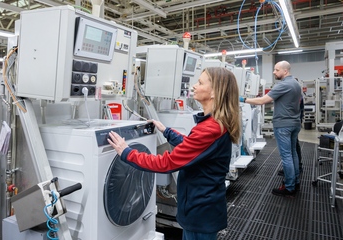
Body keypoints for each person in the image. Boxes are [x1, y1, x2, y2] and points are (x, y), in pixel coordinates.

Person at [108, 67, 241, 240]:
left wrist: (126, 152)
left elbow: (167, 163)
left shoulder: (209, 128)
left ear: (215, 92)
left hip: (200, 212)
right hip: (204, 208)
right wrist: (166, 131)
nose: (194, 86)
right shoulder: (215, 123)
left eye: (200, 83)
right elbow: (194, 147)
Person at [240, 61, 302, 197]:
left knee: (286, 156)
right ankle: (295, 182)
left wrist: (242, 99)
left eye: (276, 70)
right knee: (292, 153)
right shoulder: (297, 84)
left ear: (285, 71)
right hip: (295, 123)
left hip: (283, 125)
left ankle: (289, 186)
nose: (274, 72)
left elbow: (262, 101)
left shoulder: (283, 84)